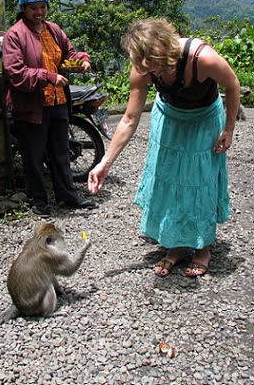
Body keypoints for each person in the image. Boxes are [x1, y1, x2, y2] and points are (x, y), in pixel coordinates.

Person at [88, 18, 240, 277]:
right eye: (144, 65)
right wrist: (105, 162)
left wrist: (228, 129)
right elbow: (129, 119)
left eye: (154, 65)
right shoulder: (144, 67)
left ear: (166, 51)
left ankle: (202, 247)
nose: (150, 72)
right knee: (169, 178)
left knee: (198, 180)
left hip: (203, 118)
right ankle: (176, 245)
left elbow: (233, 84)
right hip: (169, 116)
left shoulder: (201, 58)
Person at [2, 0, 96, 218]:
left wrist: (82, 60)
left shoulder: (53, 30)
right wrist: (48, 76)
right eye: (34, 8)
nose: (39, 12)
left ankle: (68, 196)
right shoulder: (15, 35)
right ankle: (39, 201)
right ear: (24, 8)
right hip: (31, 106)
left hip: (58, 101)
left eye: (43, 7)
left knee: (61, 151)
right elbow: (16, 74)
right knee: (33, 156)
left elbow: (70, 53)